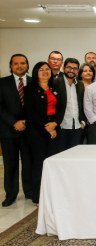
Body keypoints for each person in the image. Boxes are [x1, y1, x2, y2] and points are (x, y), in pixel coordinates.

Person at [24, 61, 63, 204]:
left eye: (47, 69)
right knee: (39, 162)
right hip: (37, 130)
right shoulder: (30, 89)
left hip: (54, 127)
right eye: (41, 69)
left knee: (52, 162)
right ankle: (38, 195)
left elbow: (61, 107)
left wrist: (55, 124)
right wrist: (47, 127)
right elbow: (30, 112)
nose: (45, 71)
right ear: (36, 72)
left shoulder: (56, 87)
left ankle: (52, 194)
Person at [0, 54, 33, 206]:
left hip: (29, 131)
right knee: (10, 164)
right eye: (16, 63)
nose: (20, 66)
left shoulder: (34, 81)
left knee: (29, 163)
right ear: (11, 66)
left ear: (27, 65)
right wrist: (14, 122)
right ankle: (11, 195)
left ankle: (30, 192)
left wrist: (26, 121)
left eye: (23, 63)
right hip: (8, 131)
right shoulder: (2, 83)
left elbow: (38, 108)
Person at [54, 58, 86, 152]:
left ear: (78, 71)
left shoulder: (80, 85)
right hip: (61, 127)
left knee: (74, 156)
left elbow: (82, 104)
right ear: (63, 68)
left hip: (77, 127)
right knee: (60, 156)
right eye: (69, 67)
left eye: (75, 68)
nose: (72, 70)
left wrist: (83, 122)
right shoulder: (55, 82)